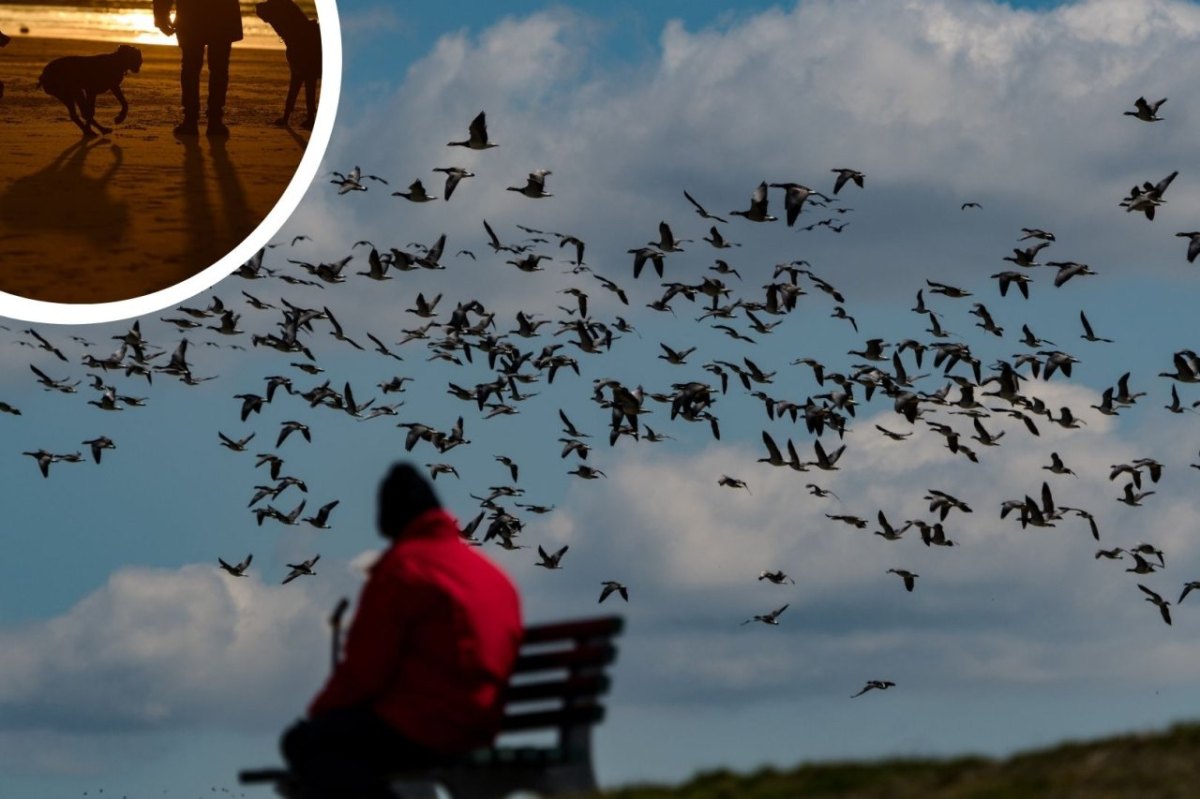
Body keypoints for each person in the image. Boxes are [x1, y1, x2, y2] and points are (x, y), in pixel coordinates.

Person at [281, 463, 523, 799]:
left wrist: (322, 713)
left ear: (390, 520)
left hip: (423, 724)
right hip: (479, 724)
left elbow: (366, 669)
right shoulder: (493, 574)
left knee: (306, 744)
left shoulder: (404, 569)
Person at [152, 0, 243, 137]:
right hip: (220, 15)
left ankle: (193, 119)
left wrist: (161, 16)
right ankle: (213, 120)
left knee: (192, 67)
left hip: (194, 15)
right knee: (217, 68)